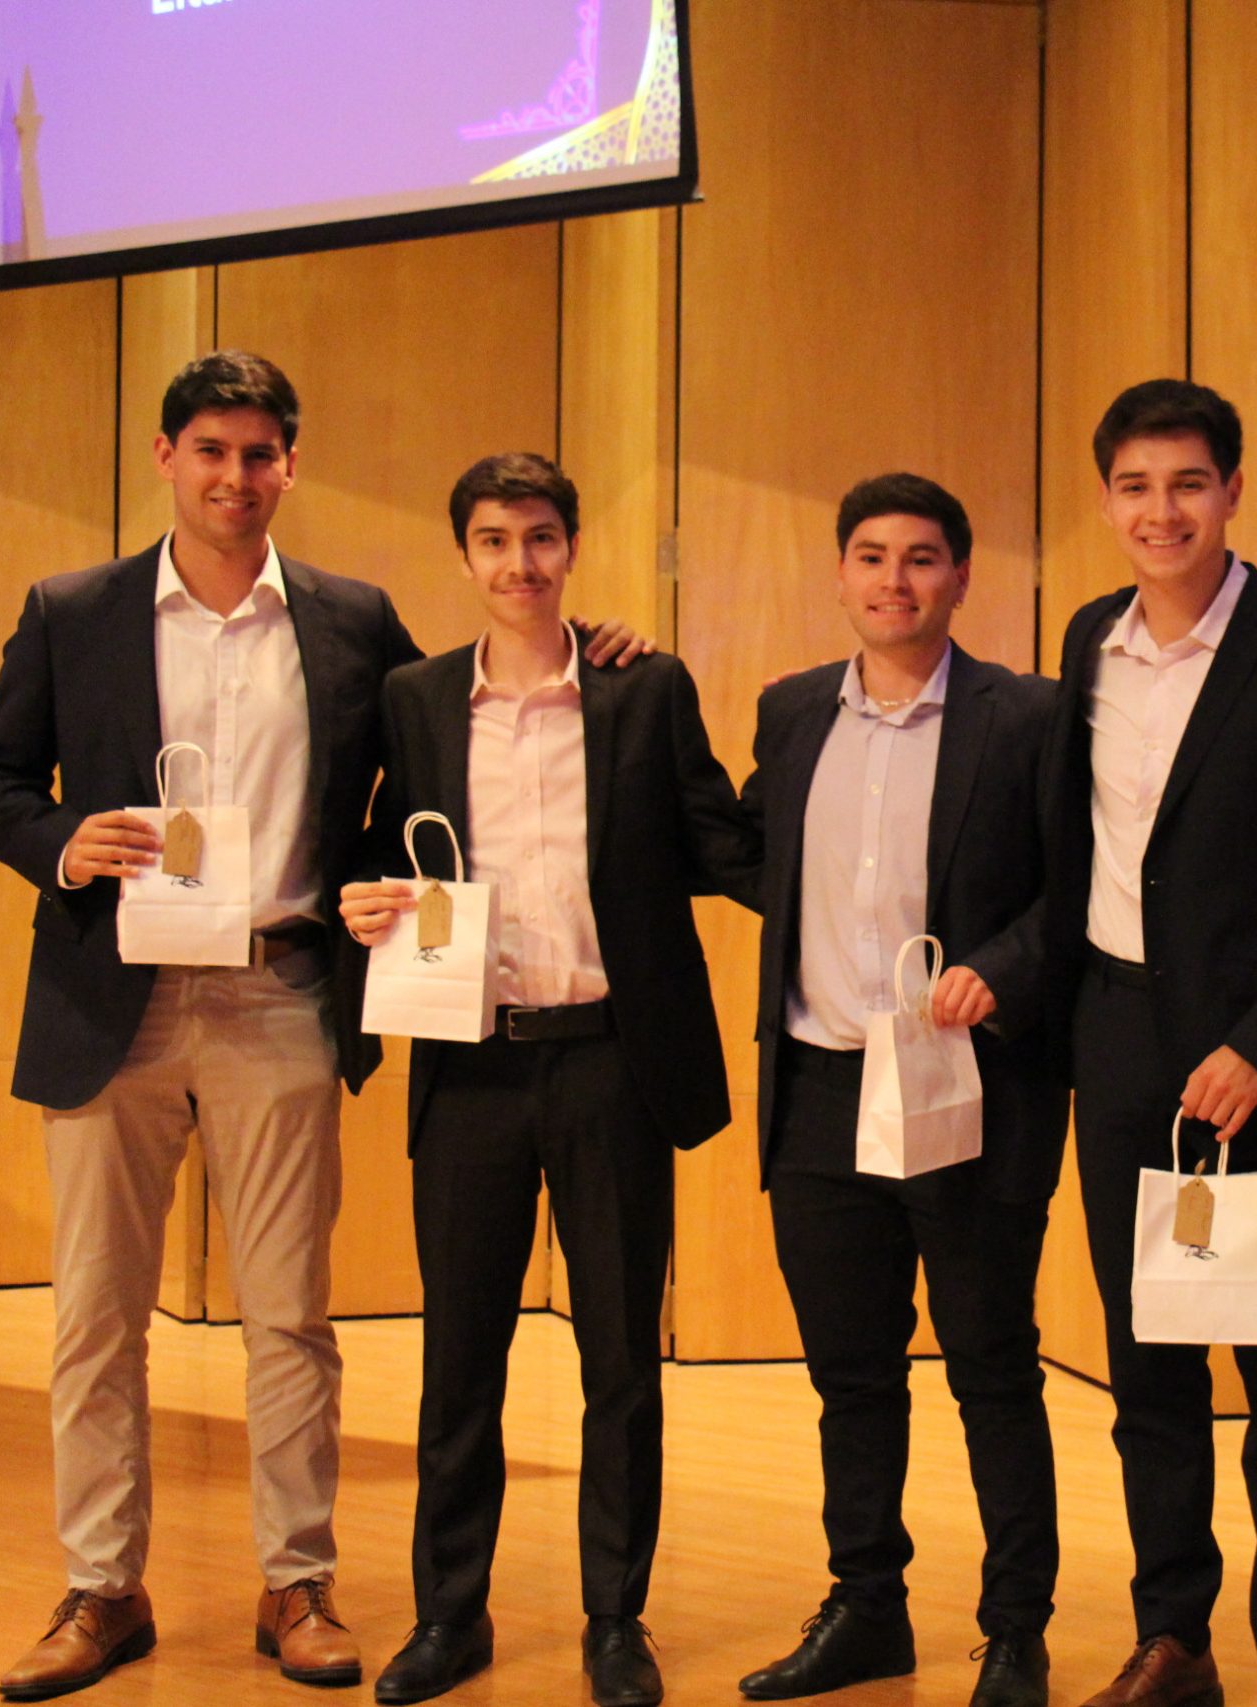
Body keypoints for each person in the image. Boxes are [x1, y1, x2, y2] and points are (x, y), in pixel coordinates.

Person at [0, 356, 652, 1703]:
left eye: (259, 453)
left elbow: (447, 750)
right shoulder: (72, 610)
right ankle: (102, 1586)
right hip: (113, 999)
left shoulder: (350, 618)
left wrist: (596, 652)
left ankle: (298, 1579)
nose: (235, 476)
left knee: (289, 1315)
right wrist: (59, 842)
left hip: (280, 990)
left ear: (289, 464)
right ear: (165, 455)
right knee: (96, 1315)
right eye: (211, 450)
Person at [338, 453, 754, 1707]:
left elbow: (720, 840)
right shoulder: (414, 697)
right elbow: (376, 846)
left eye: (538, 538)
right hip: (469, 1065)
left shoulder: (643, 687)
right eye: (492, 540)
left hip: (613, 1063)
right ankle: (447, 1616)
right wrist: (362, 900)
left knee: (620, 1361)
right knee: (459, 1357)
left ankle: (616, 1620)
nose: (517, 562)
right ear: (463, 555)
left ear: (571, 548)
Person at [1044, 379, 1257, 1707]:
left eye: (1187, 483)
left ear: (1232, 490)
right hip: (1121, 1046)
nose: (1160, 511)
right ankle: (1173, 1635)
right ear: (1106, 498)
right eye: (1135, 486)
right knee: (1149, 1366)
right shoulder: (1089, 640)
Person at [730, 473, 1065, 1707]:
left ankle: (1015, 1630)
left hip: (964, 1085)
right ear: (840, 574)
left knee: (991, 1368)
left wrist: (1001, 969)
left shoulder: (1025, 717)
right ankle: (867, 1607)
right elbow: (744, 850)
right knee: (852, 1375)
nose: (893, 580)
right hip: (820, 1088)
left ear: (960, 577)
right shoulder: (789, 713)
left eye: (921, 558)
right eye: (870, 556)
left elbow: (1073, 890)